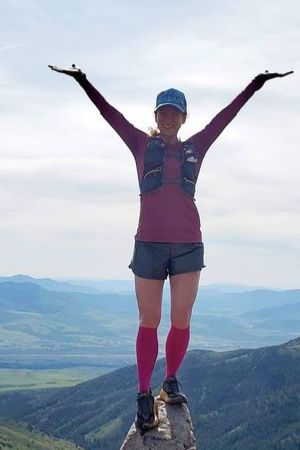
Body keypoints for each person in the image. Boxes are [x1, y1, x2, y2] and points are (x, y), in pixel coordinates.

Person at [48, 64, 293, 432]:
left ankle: (171, 380)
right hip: (148, 244)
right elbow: (109, 114)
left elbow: (226, 116)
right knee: (149, 321)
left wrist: (254, 85)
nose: (168, 118)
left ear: (182, 117)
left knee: (181, 321)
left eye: (174, 112)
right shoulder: (142, 145)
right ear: (156, 116)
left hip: (188, 245)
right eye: (162, 112)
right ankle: (144, 393)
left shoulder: (197, 146)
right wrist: (84, 81)